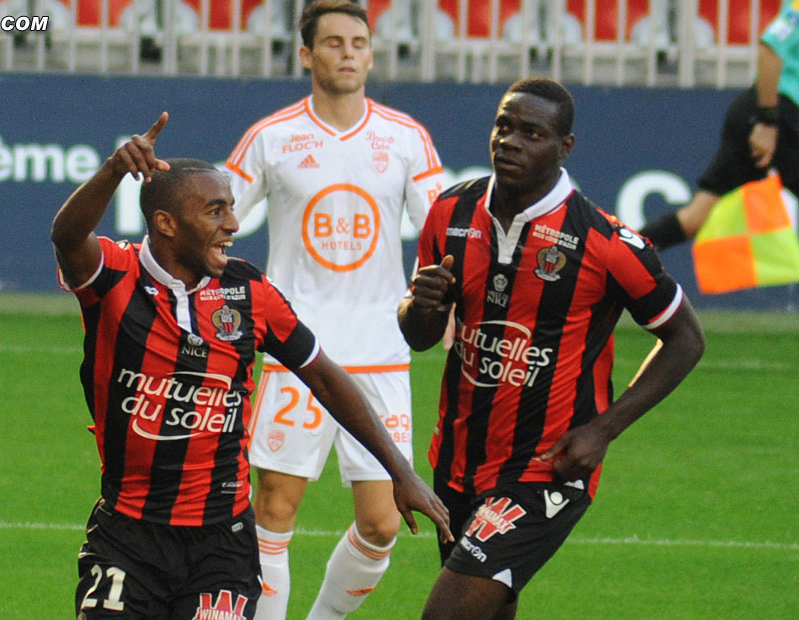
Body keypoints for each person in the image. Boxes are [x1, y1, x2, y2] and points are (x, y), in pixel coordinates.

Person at [50, 112, 452, 620]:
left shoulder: (249, 292)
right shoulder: (115, 276)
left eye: (232, 209)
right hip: (129, 536)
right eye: (215, 211)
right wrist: (112, 171)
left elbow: (324, 377)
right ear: (166, 224)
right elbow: (66, 237)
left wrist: (400, 470)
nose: (234, 225)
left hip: (223, 544)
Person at [397, 78, 705, 620]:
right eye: (504, 126)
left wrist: (602, 430)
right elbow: (420, 338)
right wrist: (420, 307)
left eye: (531, 133)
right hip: (458, 462)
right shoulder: (450, 213)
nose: (510, 142)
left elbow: (686, 339)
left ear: (565, 147)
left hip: (547, 467)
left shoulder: (604, 241)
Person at [223, 1, 446, 619]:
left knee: (381, 523)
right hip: (295, 352)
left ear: (371, 54)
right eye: (334, 43)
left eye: (359, 42)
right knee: (274, 510)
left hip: (380, 354)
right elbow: (216, 216)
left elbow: (442, 240)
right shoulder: (272, 137)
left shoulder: (404, 138)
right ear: (306, 55)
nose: (348, 53)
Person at [640, 0, 799, 249]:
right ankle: (617, 261)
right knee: (696, 217)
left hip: (775, 116)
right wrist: (768, 121)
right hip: (776, 116)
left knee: (695, 219)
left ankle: (618, 259)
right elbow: (770, 49)